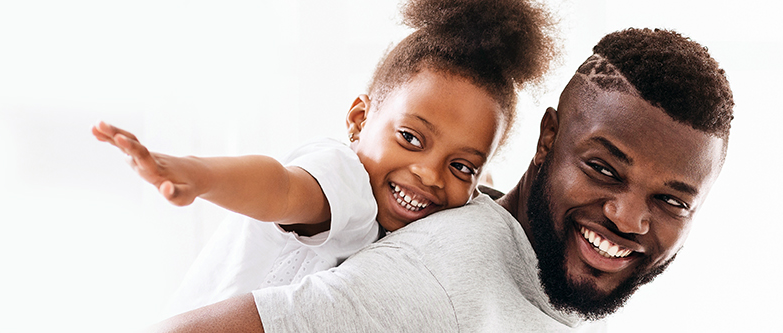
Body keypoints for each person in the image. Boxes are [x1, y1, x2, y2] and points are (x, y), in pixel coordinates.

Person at [155, 27, 734, 332]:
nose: (629, 218)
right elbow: (284, 189)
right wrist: (195, 175)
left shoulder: (530, 269)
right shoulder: (437, 272)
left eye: (672, 200)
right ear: (548, 139)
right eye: (603, 169)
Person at [92, 0, 556, 316]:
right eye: (412, 138)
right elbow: (281, 187)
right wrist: (199, 174)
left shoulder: (431, 228)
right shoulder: (347, 180)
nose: (429, 174)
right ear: (358, 119)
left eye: (461, 166)